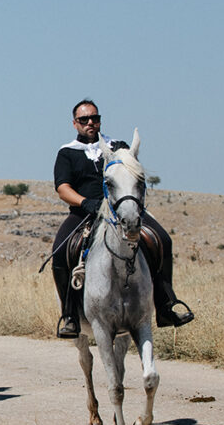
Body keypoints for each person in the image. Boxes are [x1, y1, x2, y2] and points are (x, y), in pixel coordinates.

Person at [52, 99, 194, 337]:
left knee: (163, 240)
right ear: (75, 123)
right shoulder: (67, 152)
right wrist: (86, 202)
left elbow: (133, 175)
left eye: (95, 118)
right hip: (85, 212)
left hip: (123, 209)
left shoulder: (118, 146)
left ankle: (166, 305)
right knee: (59, 251)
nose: (90, 123)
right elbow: (62, 188)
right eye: (84, 120)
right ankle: (70, 315)